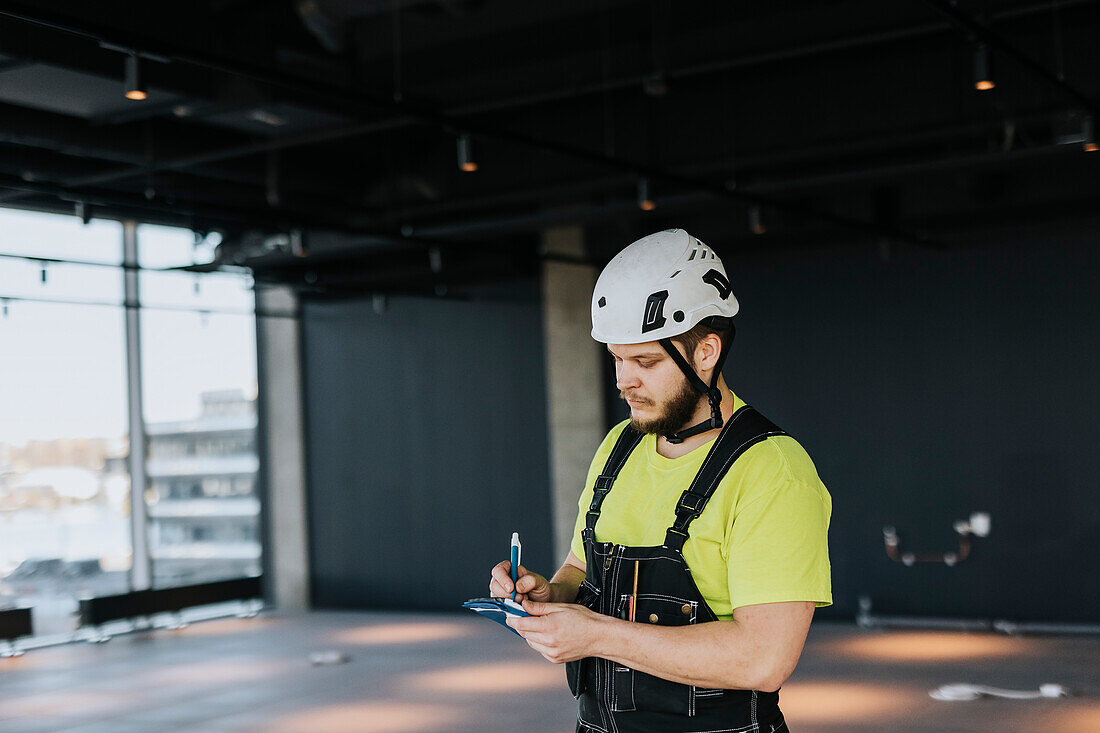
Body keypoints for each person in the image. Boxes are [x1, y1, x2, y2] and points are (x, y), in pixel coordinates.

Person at [488, 228, 832, 733]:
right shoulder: (618, 447)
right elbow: (581, 566)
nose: (624, 380)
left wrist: (595, 636)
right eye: (617, 359)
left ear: (706, 352)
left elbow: (765, 658)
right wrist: (550, 595)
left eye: (645, 361)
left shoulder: (772, 470)